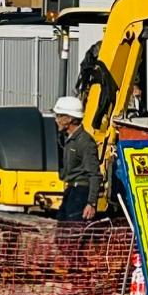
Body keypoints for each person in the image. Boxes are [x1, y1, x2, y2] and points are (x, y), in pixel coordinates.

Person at [52, 94, 101, 223]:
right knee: (62, 230)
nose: (56, 120)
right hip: (71, 191)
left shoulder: (85, 142)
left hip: (80, 193)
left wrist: (91, 203)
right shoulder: (69, 139)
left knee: (72, 234)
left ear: (69, 119)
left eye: (59, 116)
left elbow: (94, 174)